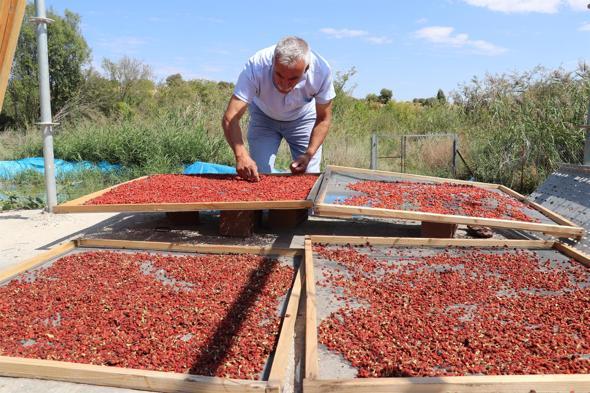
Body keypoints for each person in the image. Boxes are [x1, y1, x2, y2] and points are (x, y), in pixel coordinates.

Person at [221, 36, 335, 181]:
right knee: (257, 174)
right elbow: (231, 117)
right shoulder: (256, 65)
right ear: (273, 62)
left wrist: (309, 153)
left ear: (306, 68)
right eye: (279, 75)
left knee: (309, 176)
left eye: (293, 78)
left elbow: (324, 118)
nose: (284, 84)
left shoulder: (321, 71)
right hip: (263, 117)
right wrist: (241, 155)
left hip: (303, 119)